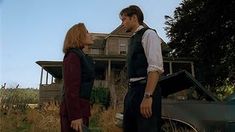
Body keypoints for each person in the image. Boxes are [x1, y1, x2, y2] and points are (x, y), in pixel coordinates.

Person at [119, 5, 164, 132]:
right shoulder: (133, 39)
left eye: (124, 19)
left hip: (145, 90)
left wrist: (148, 96)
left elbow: (155, 67)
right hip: (132, 92)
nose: (122, 24)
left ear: (134, 18)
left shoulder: (149, 34)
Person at [60, 23, 95, 132]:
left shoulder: (81, 56)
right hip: (75, 113)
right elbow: (71, 88)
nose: (90, 34)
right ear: (79, 35)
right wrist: (75, 116)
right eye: (87, 32)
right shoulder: (73, 56)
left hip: (82, 109)